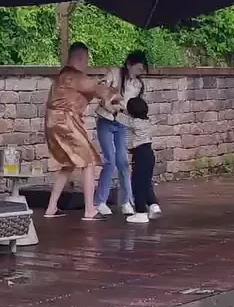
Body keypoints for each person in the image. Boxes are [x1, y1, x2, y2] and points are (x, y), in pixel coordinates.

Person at [44, 42, 118, 221]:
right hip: (65, 123)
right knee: (88, 161)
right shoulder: (74, 76)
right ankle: (90, 210)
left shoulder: (63, 76)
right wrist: (115, 94)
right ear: (80, 57)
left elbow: (89, 89)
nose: (87, 63)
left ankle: (51, 207)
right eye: (86, 59)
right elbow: (98, 89)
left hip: (54, 122)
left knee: (69, 163)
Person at [94, 50, 149, 216]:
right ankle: (100, 202)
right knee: (109, 160)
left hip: (122, 123)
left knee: (123, 162)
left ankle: (127, 201)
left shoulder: (138, 85)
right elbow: (101, 88)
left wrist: (123, 110)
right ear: (129, 64)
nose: (140, 71)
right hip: (106, 120)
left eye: (142, 68)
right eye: (138, 67)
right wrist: (109, 99)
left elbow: (133, 107)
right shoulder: (115, 73)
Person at [125, 94, 161, 226]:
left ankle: (141, 213)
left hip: (140, 154)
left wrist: (114, 107)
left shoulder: (133, 123)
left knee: (137, 184)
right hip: (149, 153)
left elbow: (116, 117)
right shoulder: (147, 121)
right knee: (145, 182)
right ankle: (153, 205)